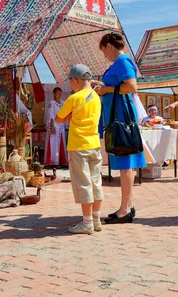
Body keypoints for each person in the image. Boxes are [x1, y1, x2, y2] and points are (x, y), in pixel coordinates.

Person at [91, 32, 147, 224]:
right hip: (118, 116)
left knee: (125, 164)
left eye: (103, 51)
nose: (104, 55)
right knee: (125, 165)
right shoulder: (119, 63)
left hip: (122, 118)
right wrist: (104, 86)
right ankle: (127, 206)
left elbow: (132, 87)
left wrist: (106, 89)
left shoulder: (122, 61)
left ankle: (125, 209)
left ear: (108, 46)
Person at [55, 65, 103, 235]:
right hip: (95, 145)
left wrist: (69, 117)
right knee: (96, 182)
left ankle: (87, 222)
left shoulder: (74, 99)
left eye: (71, 82)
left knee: (84, 184)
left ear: (75, 80)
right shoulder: (96, 97)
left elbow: (58, 119)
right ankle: (96, 220)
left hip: (78, 146)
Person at [45, 87, 67, 167]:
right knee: (54, 143)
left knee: (61, 142)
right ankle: (53, 162)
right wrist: (52, 126)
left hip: (61, 125)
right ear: (54, 94)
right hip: (54, 125)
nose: (59, 95)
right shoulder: (52, 103)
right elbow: (50, 115)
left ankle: (61, 161)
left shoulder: (62, 103)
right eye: (58, 93)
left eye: (60, 93)